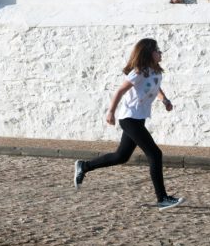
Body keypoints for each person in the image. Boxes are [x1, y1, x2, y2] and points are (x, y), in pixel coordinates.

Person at [73, 38, 184, 210]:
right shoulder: (138, 72)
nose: (160, 52)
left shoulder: (156, 72)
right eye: (157, 50)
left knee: (121, 156)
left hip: (139, 118)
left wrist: (165, 100)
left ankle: (84, 166)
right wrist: (110, 112)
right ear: (148, 53)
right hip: (129, 119)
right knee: (155, 154)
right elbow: (120, 91)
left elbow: (156, 87)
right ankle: (162, 198)